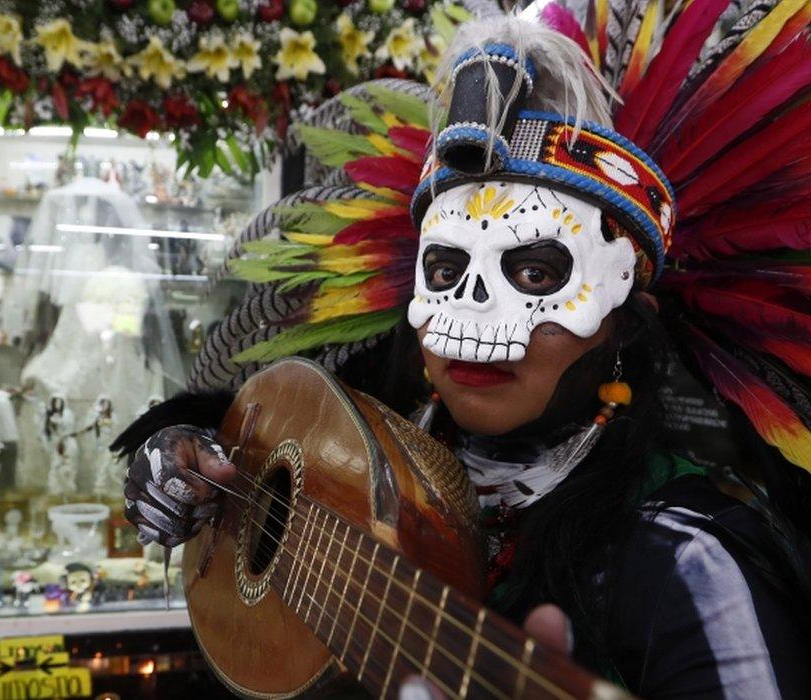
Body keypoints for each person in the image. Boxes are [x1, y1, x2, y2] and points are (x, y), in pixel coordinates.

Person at [117, 8, 811, 698]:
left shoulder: (687, 560)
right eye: (446, 271)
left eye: (537, 274)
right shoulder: (372, 449)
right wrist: (210, 468)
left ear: (625, 322)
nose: (475, 308)